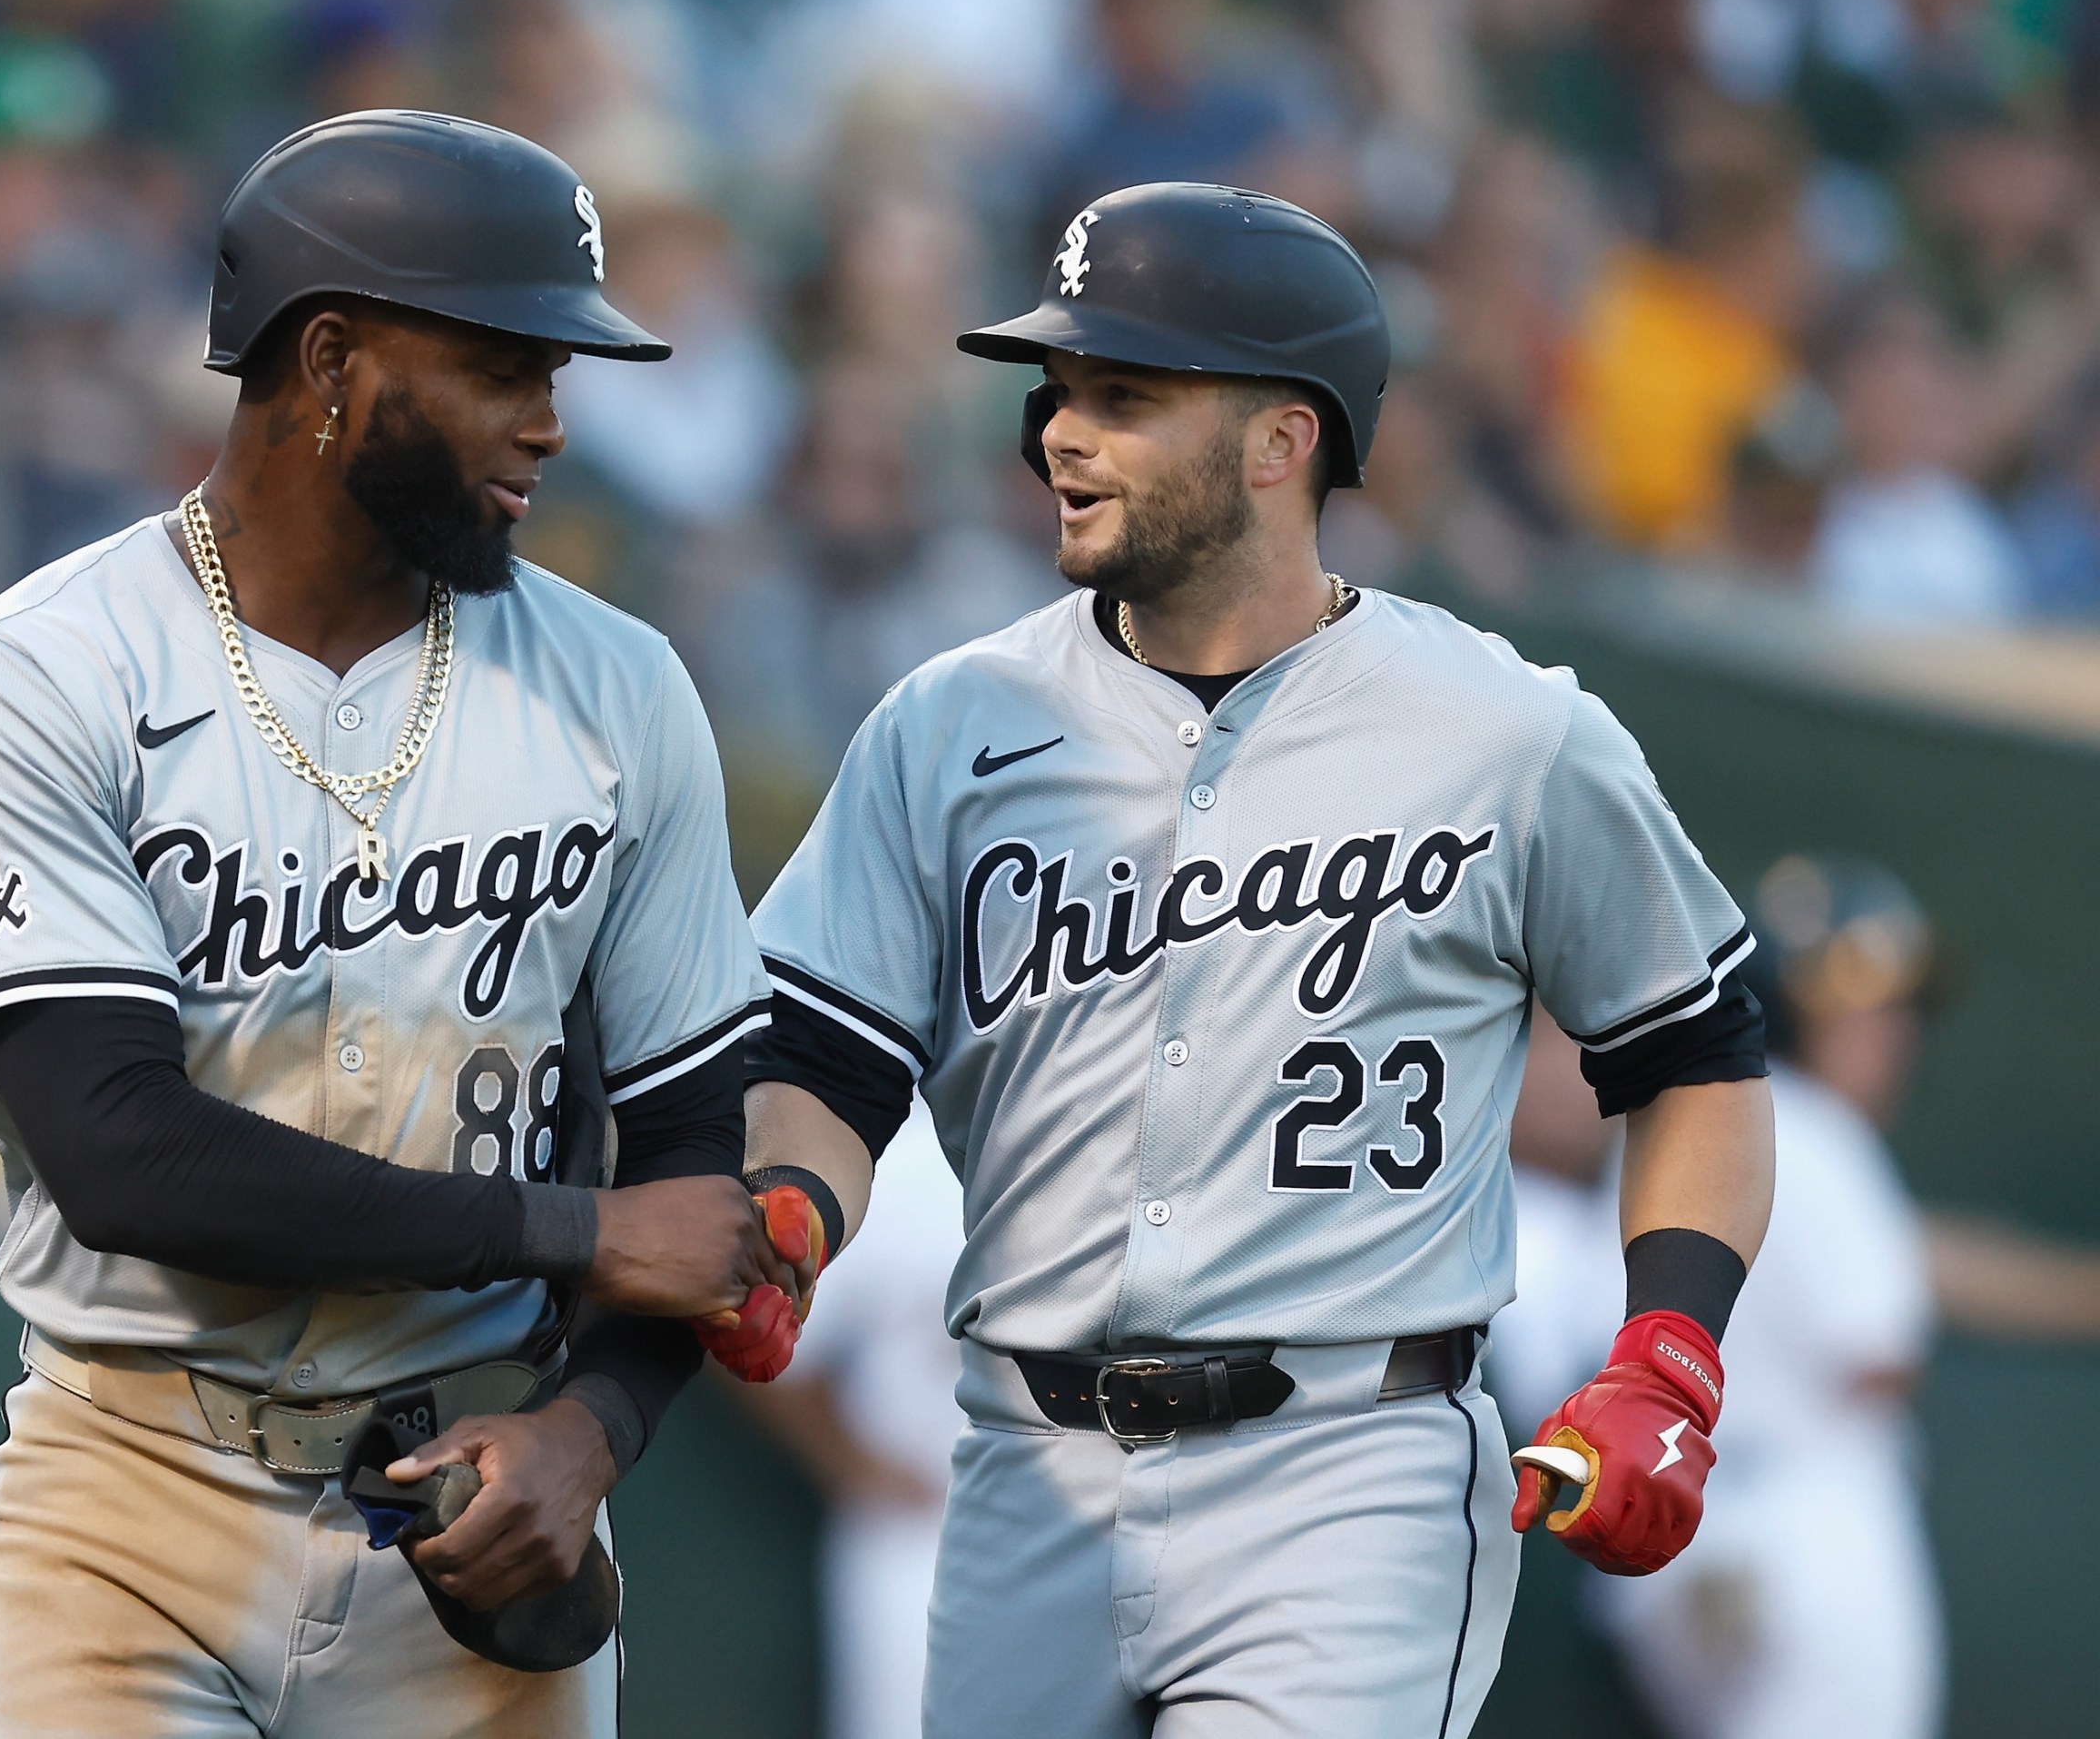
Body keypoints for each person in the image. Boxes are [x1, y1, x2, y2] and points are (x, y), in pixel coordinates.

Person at [718, 183, 1778, 1737]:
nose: (1061, 434)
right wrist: (791, 1215)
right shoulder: (945, 725)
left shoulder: (1510, 729)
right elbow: (822, 1058)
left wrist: (1669, 1353)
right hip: (1023, 1463)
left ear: (1284, 442)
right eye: (1060, 392)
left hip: (1348, 1466)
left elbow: (1695, 1054)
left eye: (1125, 396)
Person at [0, 112, 797, 1739]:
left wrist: (590, 1434)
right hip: (128, 1498)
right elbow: (123, 1156)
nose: (552, 422)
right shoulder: (31, 674)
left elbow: (692, 1165)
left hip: (478, 1504)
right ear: (333, 361)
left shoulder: (621, 690)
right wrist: (570, 1236)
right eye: (508, 367)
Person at [1504, 855, 2100, 1739]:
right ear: (1788, 1001)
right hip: (1803, 1531)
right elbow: (1883, 1366)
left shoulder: (1678, 1133)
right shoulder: (1818, 1130)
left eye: (1896, 1013)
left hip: (1667, 1544)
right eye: (1860, 1011)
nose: (1891, 1038)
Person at [731, 1102, 965, 1739]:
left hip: (1088, 1517)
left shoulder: (1098, 1152)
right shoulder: (901, 1161)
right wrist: (855, 1468)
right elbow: (753, 1329)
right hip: (920, 1536)